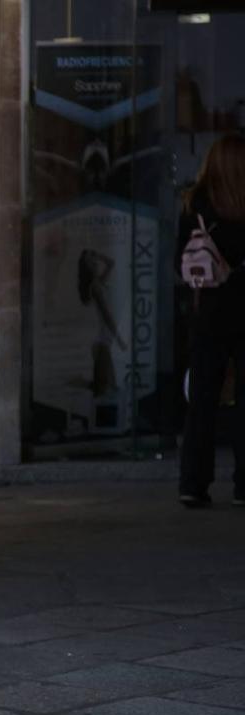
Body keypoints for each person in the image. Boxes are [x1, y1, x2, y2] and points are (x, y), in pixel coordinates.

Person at [179, 134, 245, 509]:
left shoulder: (195, 203)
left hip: (209, 313)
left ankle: (193, 484)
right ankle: (243, 485)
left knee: (202, 401)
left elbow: (179, 263)